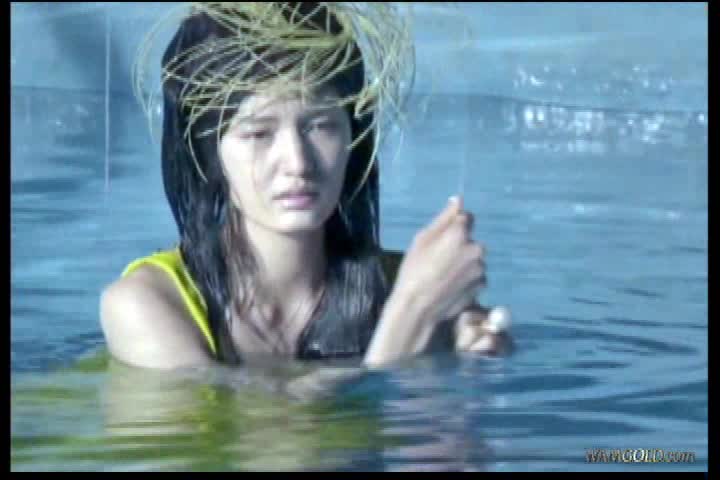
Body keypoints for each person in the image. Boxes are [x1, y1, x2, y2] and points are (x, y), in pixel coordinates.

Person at [100, 2, 512, 371]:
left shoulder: (410, 286)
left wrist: (461, 357)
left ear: (354, 137)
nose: (298, 163)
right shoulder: (146, 305)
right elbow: (255, 428)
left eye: (320, 126)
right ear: (209, 154)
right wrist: (409, 320)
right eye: (258, 133)